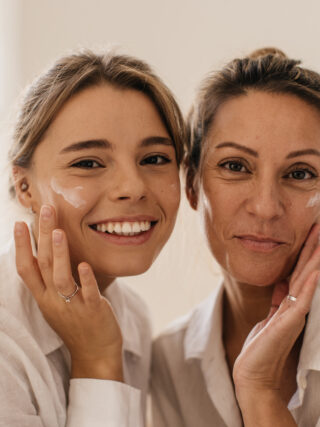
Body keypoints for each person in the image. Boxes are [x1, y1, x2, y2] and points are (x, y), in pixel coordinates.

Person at [0, 49, 184, 426]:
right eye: (88, 163)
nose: (132, 188)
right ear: (24, 187)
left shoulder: (130, 316)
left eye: (154, 159)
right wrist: (96, 360)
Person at [151, 48, 320, 427]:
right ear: (192, 185)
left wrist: (258, 390)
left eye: (300, 173)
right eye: (235, 166)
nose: (265, 207)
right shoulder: (169, 361)